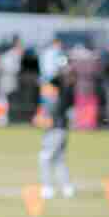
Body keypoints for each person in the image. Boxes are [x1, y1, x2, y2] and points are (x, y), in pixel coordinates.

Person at [38, 66, 77, 199]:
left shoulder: (56, 99)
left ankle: (47, 188)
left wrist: (41, 120)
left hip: (55, 131)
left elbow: (49, 120)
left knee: (44, 158)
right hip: (61, 131)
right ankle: (67, 188)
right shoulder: (62, 97)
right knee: (59, 160)